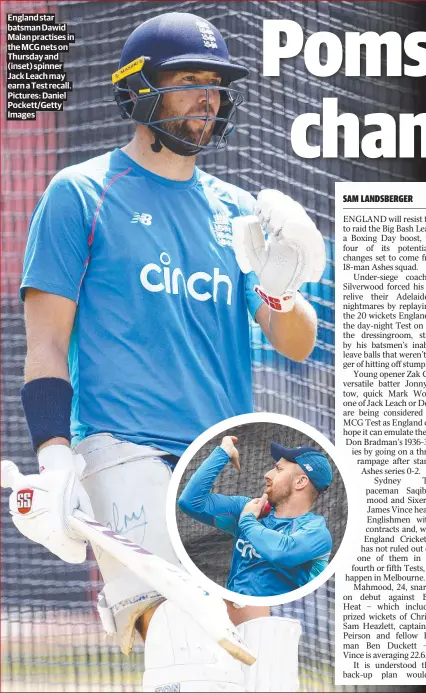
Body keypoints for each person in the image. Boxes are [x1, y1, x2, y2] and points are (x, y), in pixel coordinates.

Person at [6, 11, 325, 693]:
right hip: (124, 451)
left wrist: (275, 288)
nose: (206, 97)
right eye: (188, 80)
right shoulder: (81, 194)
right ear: (140, 89)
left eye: (214, 83)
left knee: (260, 656)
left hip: (226, 458)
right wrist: (56, 459)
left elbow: (298, 341)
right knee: (189, 634)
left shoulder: (239, 213)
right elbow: (47, 344)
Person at [179, 436, 333, 596]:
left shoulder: (317, 532)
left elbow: (281, 552)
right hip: (234, 610)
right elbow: (190, 502)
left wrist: (247, 520)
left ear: (300, 482)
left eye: (278, 469)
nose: (267, 474)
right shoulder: (250, 508)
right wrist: (223, 452)